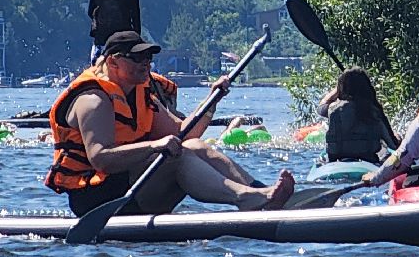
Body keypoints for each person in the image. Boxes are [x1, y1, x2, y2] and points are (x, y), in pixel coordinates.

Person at [45, 30, 294, 217]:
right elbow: (101, 158)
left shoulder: (140, 94)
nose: (146, 63)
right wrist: (155, 147)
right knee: (179, 157)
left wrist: (213, 100)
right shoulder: (94, 100)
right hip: (96, 199)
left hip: (132, 187)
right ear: (113, 62)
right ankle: (246, 198)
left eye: (149, 57)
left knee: (195, 146)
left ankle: (261, 193)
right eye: (137, 57)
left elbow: (184, 134)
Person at [317, 67, 397, 164]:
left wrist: (338, 89)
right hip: (369, 162)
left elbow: (320, 108)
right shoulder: (374, 111)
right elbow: (393, 145)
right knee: (390, 148)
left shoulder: (332, 109)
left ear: (342, 88)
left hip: (336, 162)